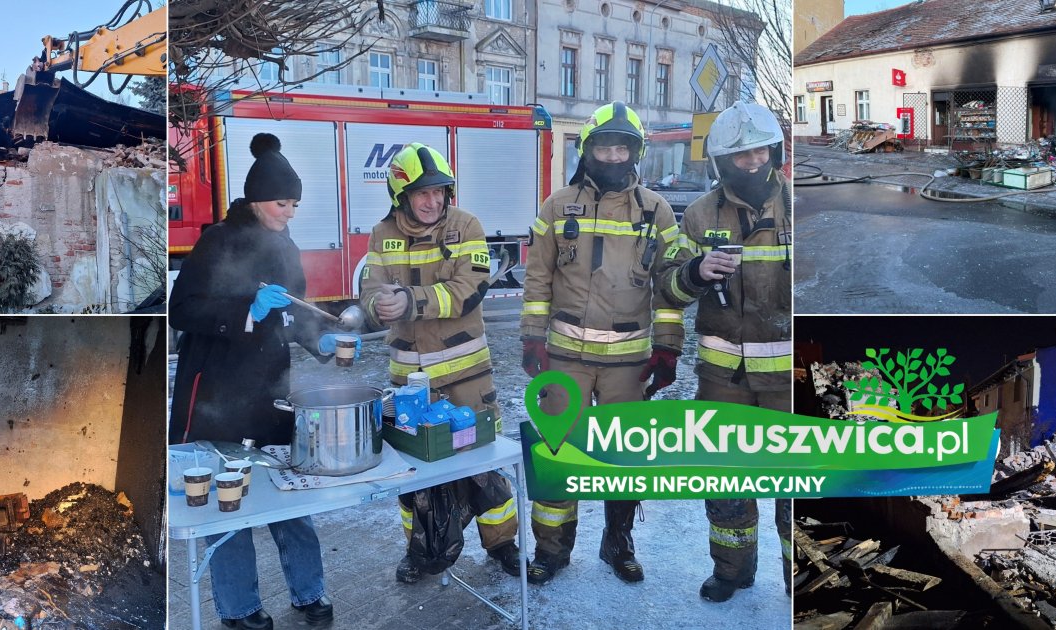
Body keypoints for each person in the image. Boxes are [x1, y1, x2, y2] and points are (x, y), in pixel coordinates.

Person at [169, 133, 348, 629]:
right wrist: (246, 310)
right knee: (228, 503)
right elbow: (181, 310)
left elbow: (297, 311)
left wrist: (320, 340)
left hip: (270, 391)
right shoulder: (217, 240)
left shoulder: (286, 246)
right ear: (255, 200)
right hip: (216, 394)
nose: (289, 213)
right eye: (281, 203)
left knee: (289, 493)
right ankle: (240, 609)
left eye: (294, 205)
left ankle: (309, 592)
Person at [520, 101, 685, 585]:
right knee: (559, 454)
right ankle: (551, 550)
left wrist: (668, 347)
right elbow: (537, 279)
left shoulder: (657, 211)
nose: (612, 156)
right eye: (604, 147)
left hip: (628, 364)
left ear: (635, 152)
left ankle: (618, 543)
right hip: (565, 359)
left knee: (624, 460)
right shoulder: (557, 206)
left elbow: (668, 287)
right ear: (587, 150)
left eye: (621, 148)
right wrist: (532, 339)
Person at [358, 142, 522, 583]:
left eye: (439, 191)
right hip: (410, 384)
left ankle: (502, 544)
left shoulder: (466, 225)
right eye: (421, 193)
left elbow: (471, 289)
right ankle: (420, 551)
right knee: (413, 471)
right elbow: (370, 289)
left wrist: (410, 301)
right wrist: (377, 307)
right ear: (401, 196)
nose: (432, 201)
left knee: (484, 461)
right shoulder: (381, 234)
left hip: (467, 376)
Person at [654, 102, 793, 603]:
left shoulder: (798, 207)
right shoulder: (698, 215)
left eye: (760, 152)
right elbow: (666, 289)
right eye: (741, 155)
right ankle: (732, 571)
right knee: (726, 482)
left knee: (797, 488)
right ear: (721, 162)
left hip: (790, 384)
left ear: (775, 152)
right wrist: (693, 273)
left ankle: (800, 581)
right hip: (722, 381)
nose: (753, 163)